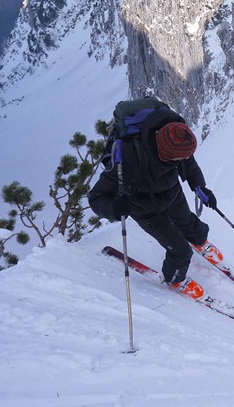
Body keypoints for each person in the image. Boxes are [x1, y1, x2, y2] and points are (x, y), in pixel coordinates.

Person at [89, 103, 217, 292]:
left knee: (191, 224)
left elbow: (188, 163)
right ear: (165, 154)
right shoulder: (127, 158)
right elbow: (97, 197)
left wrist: (200, 187)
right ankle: (175, 279)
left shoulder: (176, 143)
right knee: (180, 251)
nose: (182, 160)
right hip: (145, 209)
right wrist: (115, 208)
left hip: (172, 193)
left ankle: (199, 240)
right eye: (177, 160)